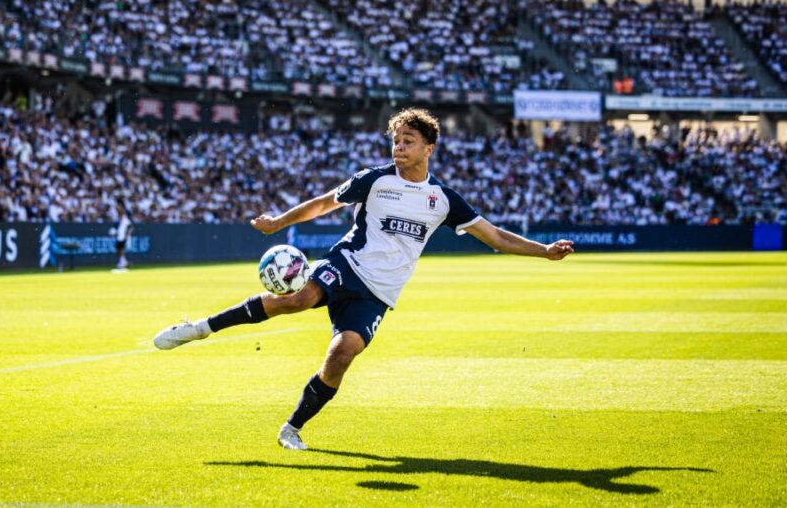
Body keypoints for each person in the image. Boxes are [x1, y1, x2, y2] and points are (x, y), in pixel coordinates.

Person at [153, 108, 574, 450]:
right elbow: (323, 204)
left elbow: (496, 237)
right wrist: (278, 222)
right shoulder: (375, 179)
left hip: (379, 292)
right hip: (347, 264)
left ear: (429, 147)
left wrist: (544, 251)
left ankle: (291, 428)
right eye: (396, 140)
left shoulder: (443, 200)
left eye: (408, 141)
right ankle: (199, 328)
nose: (399, 147)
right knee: (296, 300)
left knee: (344, 351)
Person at [114, 204, 134, 271]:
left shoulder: (126, 220)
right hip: (119, 237)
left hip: (124, 237)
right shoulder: (118, 219)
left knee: (121, 250)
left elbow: (131, 228)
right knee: (118, 250)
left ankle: (122, 262)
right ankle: (123, 261)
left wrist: (128, 233)